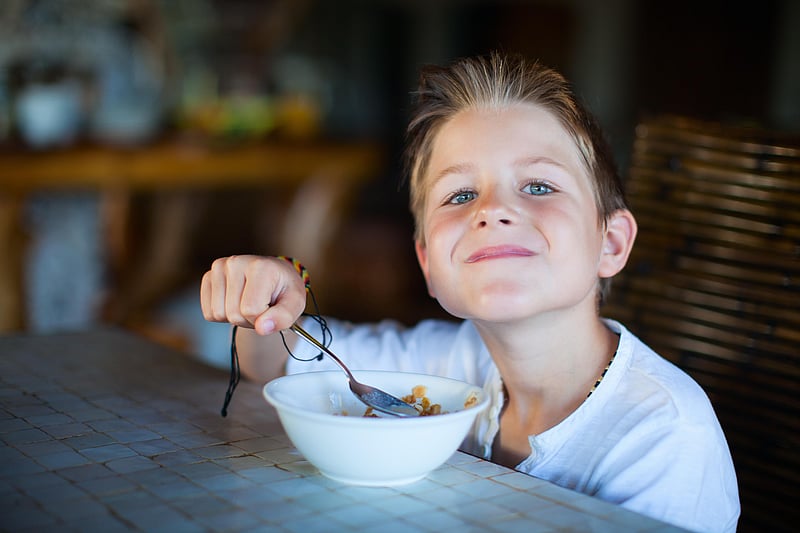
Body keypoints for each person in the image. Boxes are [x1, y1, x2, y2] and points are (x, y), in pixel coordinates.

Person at [200, 52, 739, 532]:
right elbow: (274, 366)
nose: (491, 210)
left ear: (611, 242)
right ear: (429, 265)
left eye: (538, 186)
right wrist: (266, 299)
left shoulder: (664, 439)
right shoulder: (441, 363)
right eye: (460, 194)